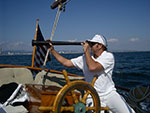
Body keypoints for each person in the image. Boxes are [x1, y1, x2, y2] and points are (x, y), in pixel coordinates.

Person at [48, 34, 135, 113]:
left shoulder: (108, 56)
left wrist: (86, 51)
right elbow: (66, 63)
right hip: (91, 95)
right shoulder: (85, 58)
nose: (90, 46)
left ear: (100, 46)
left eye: (92, 44)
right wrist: (52, 51)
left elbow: (92, 67)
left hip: (109, 94)